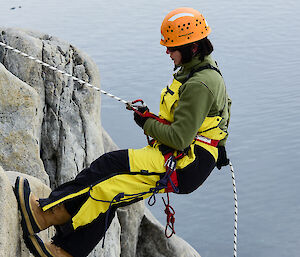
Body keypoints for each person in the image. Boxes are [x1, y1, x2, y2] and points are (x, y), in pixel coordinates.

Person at [14, 7, 231, 257]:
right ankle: (64, 249)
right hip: (188, 157)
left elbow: (180, 138)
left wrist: (146, 123)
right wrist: (218, 145)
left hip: (185, 163)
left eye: (172, 47)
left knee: (106, 174)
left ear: (192, 47)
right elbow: (220, 112)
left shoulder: (200, 83)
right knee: (111, 189)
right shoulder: (202, 71)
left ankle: (45, 215)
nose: (167, 51)